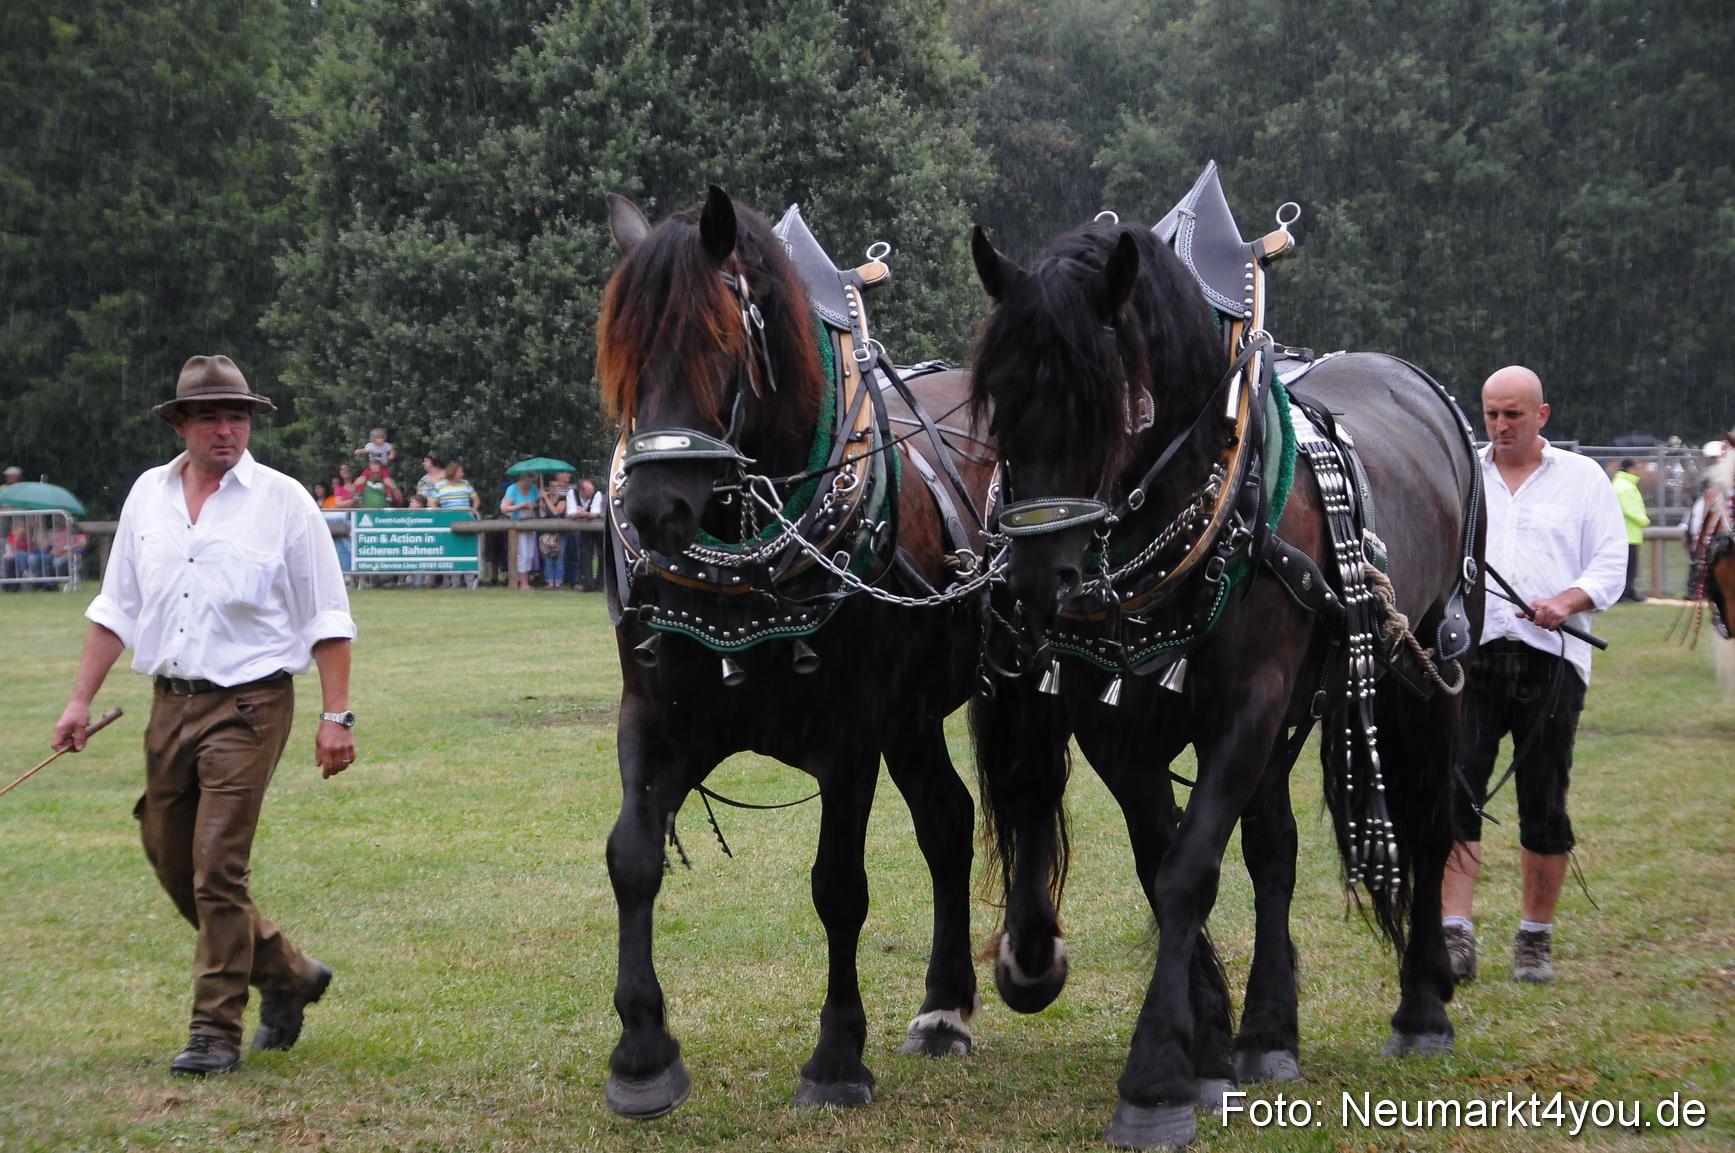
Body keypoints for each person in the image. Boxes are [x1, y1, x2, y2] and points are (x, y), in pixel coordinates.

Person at [51, 355, 357, 1076]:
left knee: (217, 866)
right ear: (181, 423)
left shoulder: (283, 501)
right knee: (171, 858)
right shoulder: (145, 497)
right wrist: (78, 699)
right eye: (213, 415)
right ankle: (288, 974)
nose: (228, 429)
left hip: (251, 703)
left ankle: (213, 1031)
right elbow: (115, 607)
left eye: (239, 415)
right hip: (167, 705)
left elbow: (327, 615)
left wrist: (336, 714)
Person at [1441, 366, 1626, 985]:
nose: (1501, 426)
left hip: (1553, 661)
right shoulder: (1464, 474)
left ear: (1542, 415)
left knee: (1543, 801)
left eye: (1514, 414)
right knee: (1458, 791)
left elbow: (1610, 563)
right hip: (1472, 655)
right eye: (1492, 413)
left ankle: (1534, 940)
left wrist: (1566, 601)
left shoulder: (1583, 479)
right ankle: (1455, 934)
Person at [1611, 459, 1649, 602]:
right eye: (1636, 468)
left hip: (1630, 533)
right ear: (1629, 469)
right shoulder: (1624, 486)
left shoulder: (1623, 484)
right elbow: (1629, 508)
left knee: (1630, 566)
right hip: (1627, 533)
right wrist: (1643, 520)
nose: (1638, 471)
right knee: (1627, 566)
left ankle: (1629, 591)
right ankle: (1624, 593)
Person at [500, 472, 540, 591]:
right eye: (527, 481)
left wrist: (533, 505)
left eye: (531, 482)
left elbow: (537, 504)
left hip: (530, 522)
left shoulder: (533, 489)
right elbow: (505, 508)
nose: (529, 484)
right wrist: (520, 506)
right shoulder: (512, 489)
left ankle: (525, 581)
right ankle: (523, 582)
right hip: (517, 523)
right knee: (522, 554)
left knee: (530, 555)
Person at [539, 471, 574, 589]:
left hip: (560, 532)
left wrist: (545, 498)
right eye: (552, 487)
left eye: (556, 486)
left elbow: (556, 511)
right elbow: (542, 515)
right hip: (547, 532)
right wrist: (541, 500)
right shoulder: (545, 499)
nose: (554, 489)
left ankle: (558, 582)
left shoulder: (563, 499)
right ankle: (550, 582)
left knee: (559, 557)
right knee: (547, 558)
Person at [569, 477, 604, 591]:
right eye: (588, 490)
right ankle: (588, 583)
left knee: (601, 554)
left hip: (599, 529)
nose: (591, 492)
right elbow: (571, 512)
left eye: (591, 489)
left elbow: (595, 513)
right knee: (586, 554)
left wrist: (582, 513)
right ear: (581, 491)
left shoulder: (597, 494)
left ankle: (600, 583)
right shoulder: (572, 493)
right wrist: (582, 514)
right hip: (584, 528)